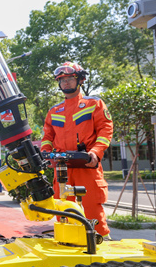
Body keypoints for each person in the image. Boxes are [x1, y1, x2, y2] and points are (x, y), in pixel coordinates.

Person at [40, 61, 113, 238]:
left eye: (70, 79)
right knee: (63, 209)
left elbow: (105, 129)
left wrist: (95, 152)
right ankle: (67, 242)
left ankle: (101, 242)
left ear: (80, 80)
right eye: (62, 80)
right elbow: (47, 136)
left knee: (92, 208)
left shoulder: (94, 103)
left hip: (87, 165)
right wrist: (46, 154)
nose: (65, 83)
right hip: (62, 167)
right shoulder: (54, 111)